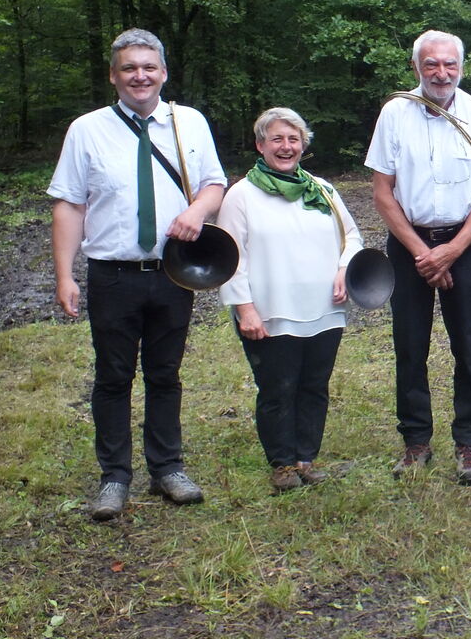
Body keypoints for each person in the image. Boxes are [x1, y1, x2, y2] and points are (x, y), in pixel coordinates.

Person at [49, 28, 226, 521]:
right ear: (114, 76)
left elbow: (214, 182)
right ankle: (114, 477)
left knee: (165, 374)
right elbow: (68, 204)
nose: (140, 76)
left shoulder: (188, 123)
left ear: (164, 73)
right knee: (113, 376)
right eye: (129, 68)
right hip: (113, 274)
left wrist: (198, 212)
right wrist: (65, 275)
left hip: (174, 272)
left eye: (149, 67)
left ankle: (167, 468)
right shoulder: (87, 130)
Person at [364, 30, 471, 484]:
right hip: (410, 248)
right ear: (417, 68)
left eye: (449, 64)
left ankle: (469, 441)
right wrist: (424, 253)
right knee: (410, 344)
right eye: (431, 65)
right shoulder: (394, 114)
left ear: (461, 67)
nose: (441, 73)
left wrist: (452, 251)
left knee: (469, 344)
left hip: (463, 246)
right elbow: (382, 193)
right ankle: (416, 441)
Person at [217, 108, 363, 492]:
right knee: (278, 388)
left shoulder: (322, 190)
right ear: (260, 145)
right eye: (277, 139)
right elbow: (230, 257)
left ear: (303, 145)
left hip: (324, 310)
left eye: (293, 139)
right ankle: (281, 463)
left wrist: (344, 269)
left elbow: (352, 238)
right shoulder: (241, 196)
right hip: (270, 312)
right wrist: (244, 308)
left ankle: (306, 458)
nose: (286, 146)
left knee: (314, 386)